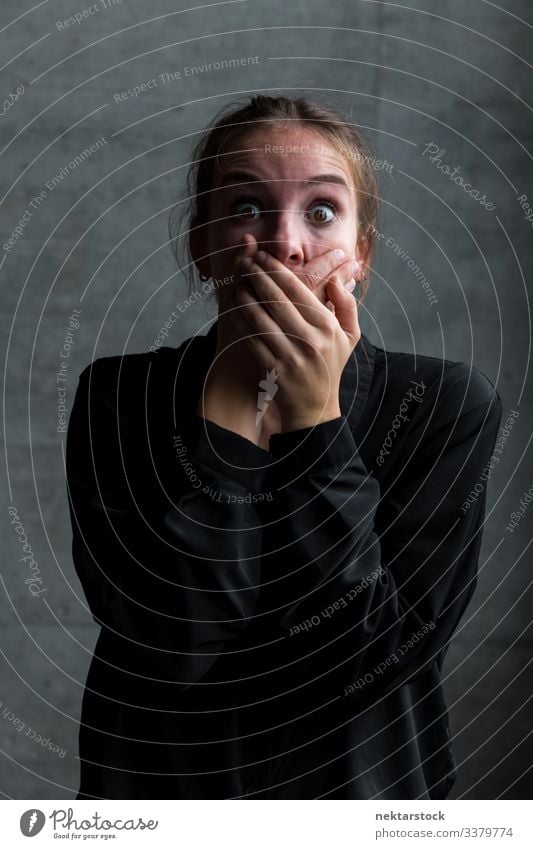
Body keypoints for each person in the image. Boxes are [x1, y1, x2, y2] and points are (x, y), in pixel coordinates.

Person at [66, 94, 502, 800]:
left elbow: (378, 661)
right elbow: (170, 646)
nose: (285, 243)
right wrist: (230, 416)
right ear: (201, 244)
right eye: (245, 208)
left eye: (321, 211)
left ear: (358, 254)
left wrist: (316, 425)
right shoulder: (119, 399)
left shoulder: (442, 407)